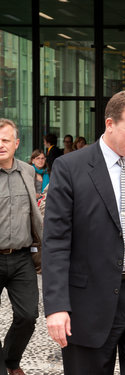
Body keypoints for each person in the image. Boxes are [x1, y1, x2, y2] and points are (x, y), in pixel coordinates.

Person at [42, 90, 125, 375]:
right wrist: (56, 306)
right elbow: (56, 242)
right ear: (109, 124)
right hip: (88, 300)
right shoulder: (70, 168)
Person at [0, 118, 43, 375]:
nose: (0, 145)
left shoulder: (28, 172)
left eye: (5, 140)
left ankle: (11, 359)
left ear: (16, 143)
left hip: (22, 258)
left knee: (28, 316)